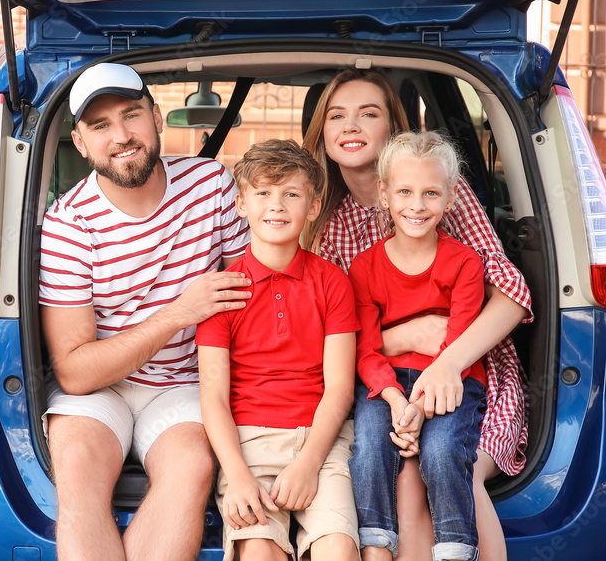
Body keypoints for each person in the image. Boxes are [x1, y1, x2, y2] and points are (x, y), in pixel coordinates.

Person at [301, 68, 532, 561]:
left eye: (370, 113)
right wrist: (410, 332)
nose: (351, 125)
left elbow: (511, 292)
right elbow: (333, 338)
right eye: (337, 115)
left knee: (451, 463)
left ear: (394, 130)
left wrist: (447, 361)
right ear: (322, 130)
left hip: (473, 368)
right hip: (381, 379)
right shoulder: (326, 221)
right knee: (397, 469)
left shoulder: (440, 191)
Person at [38, 62, 252, 560]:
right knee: (76, 467)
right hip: (100, 387)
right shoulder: (69, 225)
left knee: (194, 465)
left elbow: (252, 294)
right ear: (81, 142)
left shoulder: (211, 186)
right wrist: (178, 314)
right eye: (100, 126)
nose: (121, 136)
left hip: (182, 382)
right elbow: (74, 371)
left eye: (131, 115)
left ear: (157, 117)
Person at [197, 139, 361, 561]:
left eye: (291, 194)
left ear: (312, 207)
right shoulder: (222, 290)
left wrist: (308, 462)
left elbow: (340, 388)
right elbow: (213, 398)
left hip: (322, 442)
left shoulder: (332, 282)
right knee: (257, 551)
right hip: (248, 444)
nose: (277, 205)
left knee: (339, 549)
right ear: (240, 204)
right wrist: (235, 474)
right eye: (263, 193)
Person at [349, 131, 488, 561]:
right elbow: (367, 351)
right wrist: (394, 398)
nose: (417, 205)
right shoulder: (365, 266)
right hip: (385, 384)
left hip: (451, 379)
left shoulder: (465, 262)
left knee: (444, 449)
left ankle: (455, 549)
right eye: (405, 191)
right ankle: (375, 543)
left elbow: (458, 343)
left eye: (431, 193)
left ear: (449, 200)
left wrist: (420, 408)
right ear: (384, 195)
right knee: (370, 443)